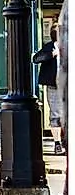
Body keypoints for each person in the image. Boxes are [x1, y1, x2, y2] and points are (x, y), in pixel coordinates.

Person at [38, 21, 62, 154]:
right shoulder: (49, 47)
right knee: (55, 115)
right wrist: (52, 54)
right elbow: (36, 58)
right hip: (53, 86)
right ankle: (57, 143)